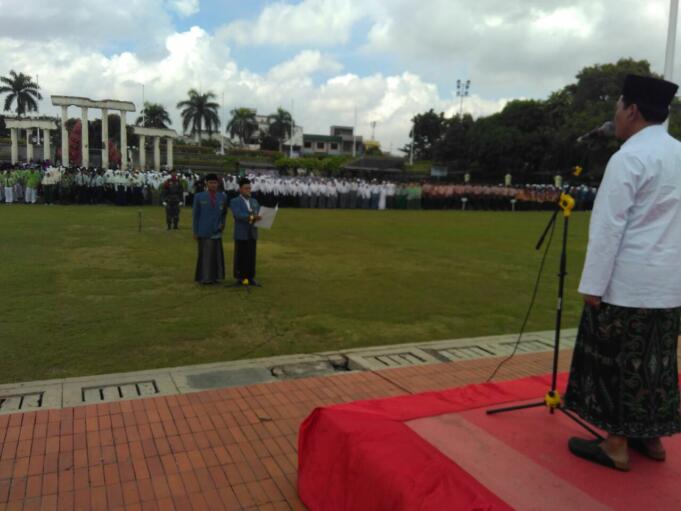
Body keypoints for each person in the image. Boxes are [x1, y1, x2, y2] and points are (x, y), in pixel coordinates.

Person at [564, 74, 681, 471]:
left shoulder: (629, 157)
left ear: (632, 110)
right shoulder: (678, 153)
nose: (614, 115)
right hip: (668, 285)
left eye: (617, 107)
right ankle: (651, 436)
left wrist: (593, 285)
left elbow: (609, 226)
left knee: (617, 362)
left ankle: (616, 445)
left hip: (628, 284)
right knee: (656, 362)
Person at [192, 174, 228, 284]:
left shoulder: (222, 197)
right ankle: (205, 278)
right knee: (205, 255)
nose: (213, 185)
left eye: (215, 183)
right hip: (204, 230)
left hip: (216, 230)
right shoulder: (199, 197)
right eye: (211, 183)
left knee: (216, 254)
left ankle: (216, 276)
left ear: (218, 184)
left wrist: (222, 224)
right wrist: (195, 231)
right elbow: (196, 216)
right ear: (206, 184)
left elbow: (224, 213)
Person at [230, 178, 261, 286]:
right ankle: (240, 277)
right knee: (241, 255)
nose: (248, 190)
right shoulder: (235, 201)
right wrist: (252, 217)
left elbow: (259, 213)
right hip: (241, 232)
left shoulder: (254, 201)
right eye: (246, 188)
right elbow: (238, 215)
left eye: (249, 188)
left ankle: (250, 277)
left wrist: (262, 217)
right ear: (240, 189)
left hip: (252, 232)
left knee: (251, 255)